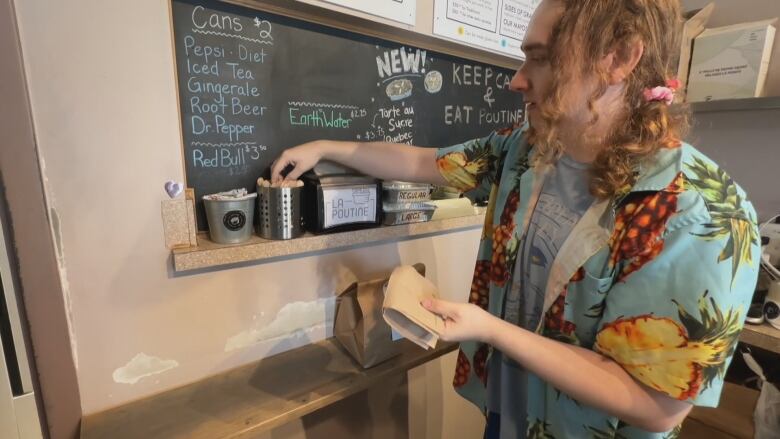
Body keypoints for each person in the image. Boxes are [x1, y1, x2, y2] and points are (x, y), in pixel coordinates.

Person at [271, 0, 761, 437]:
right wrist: (326, 148)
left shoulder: (698, 211)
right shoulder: (530, 151)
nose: (517, 78)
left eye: (541, 58)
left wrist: (490, 329)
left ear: (619, 57)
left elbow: (657, 406)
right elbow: (425, 163)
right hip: (507, 414)